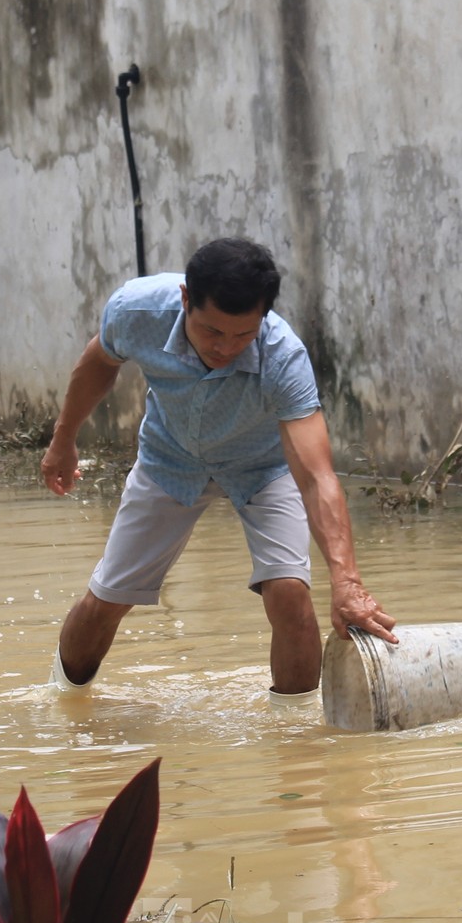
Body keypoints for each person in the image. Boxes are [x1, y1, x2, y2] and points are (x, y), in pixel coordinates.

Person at [39, 237, 397, 706]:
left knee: (290, 593)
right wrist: (63, 442)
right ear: (186, 299)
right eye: (212, 331)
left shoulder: (282, 355)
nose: (225, 347)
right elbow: (98, 363)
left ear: (264, 317)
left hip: (262, 467)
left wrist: (347, 583)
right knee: (108, 599)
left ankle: (295, 733)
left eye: (242, 335)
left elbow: (316, 477)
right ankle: (62, 701)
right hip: (170, 460)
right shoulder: (137, 311)